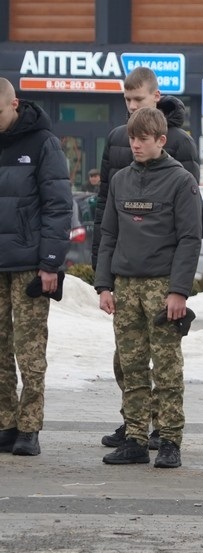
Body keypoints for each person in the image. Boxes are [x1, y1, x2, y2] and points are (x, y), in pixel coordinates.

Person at [94, 67, 200, 453]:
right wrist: (103, 284)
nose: (134, 145)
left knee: (168, 366)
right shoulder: (121, 179)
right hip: (125, 285)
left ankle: (170, 437)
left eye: (142, 140)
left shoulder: (180, 179)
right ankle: (136, 436)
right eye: (132, 139)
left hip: (160, 285)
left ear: (161, 140)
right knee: (132, 365)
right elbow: (109, 234)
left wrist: (178, 291)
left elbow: (190, 238)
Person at [0, 77, 71, 457]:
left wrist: (50, 264)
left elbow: (58, 205)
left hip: (29, 264)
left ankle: (29, 427)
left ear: (14, 105)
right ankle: (5, 423)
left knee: (29, 350)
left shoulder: (44, 143)